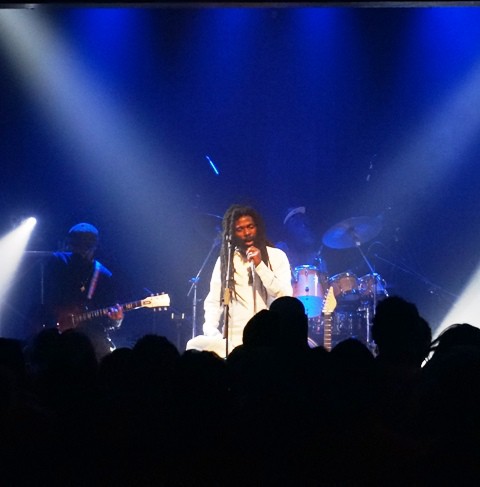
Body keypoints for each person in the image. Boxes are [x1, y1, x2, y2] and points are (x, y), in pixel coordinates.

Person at [186, 204, 292, 357]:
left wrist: (260, 266)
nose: (247, 233)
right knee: (193, 346)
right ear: (232, 234)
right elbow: (214, 301)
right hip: (233, 343)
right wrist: (212, 332)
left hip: (268, 339)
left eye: (250, 227)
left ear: (258, 228)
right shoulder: (226, 261)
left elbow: (285, 295)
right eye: (240, 229)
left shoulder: (276, 256)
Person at [41, 223, 124, 361]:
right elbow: (44, 298)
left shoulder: (104, 275)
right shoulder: (57, 262)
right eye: (77, 245)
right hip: (56, 332)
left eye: (86, 246)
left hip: (90, 338)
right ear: (69, 245)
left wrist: (116, 319)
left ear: (95, 246)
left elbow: (109, 317)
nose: (81, 250)